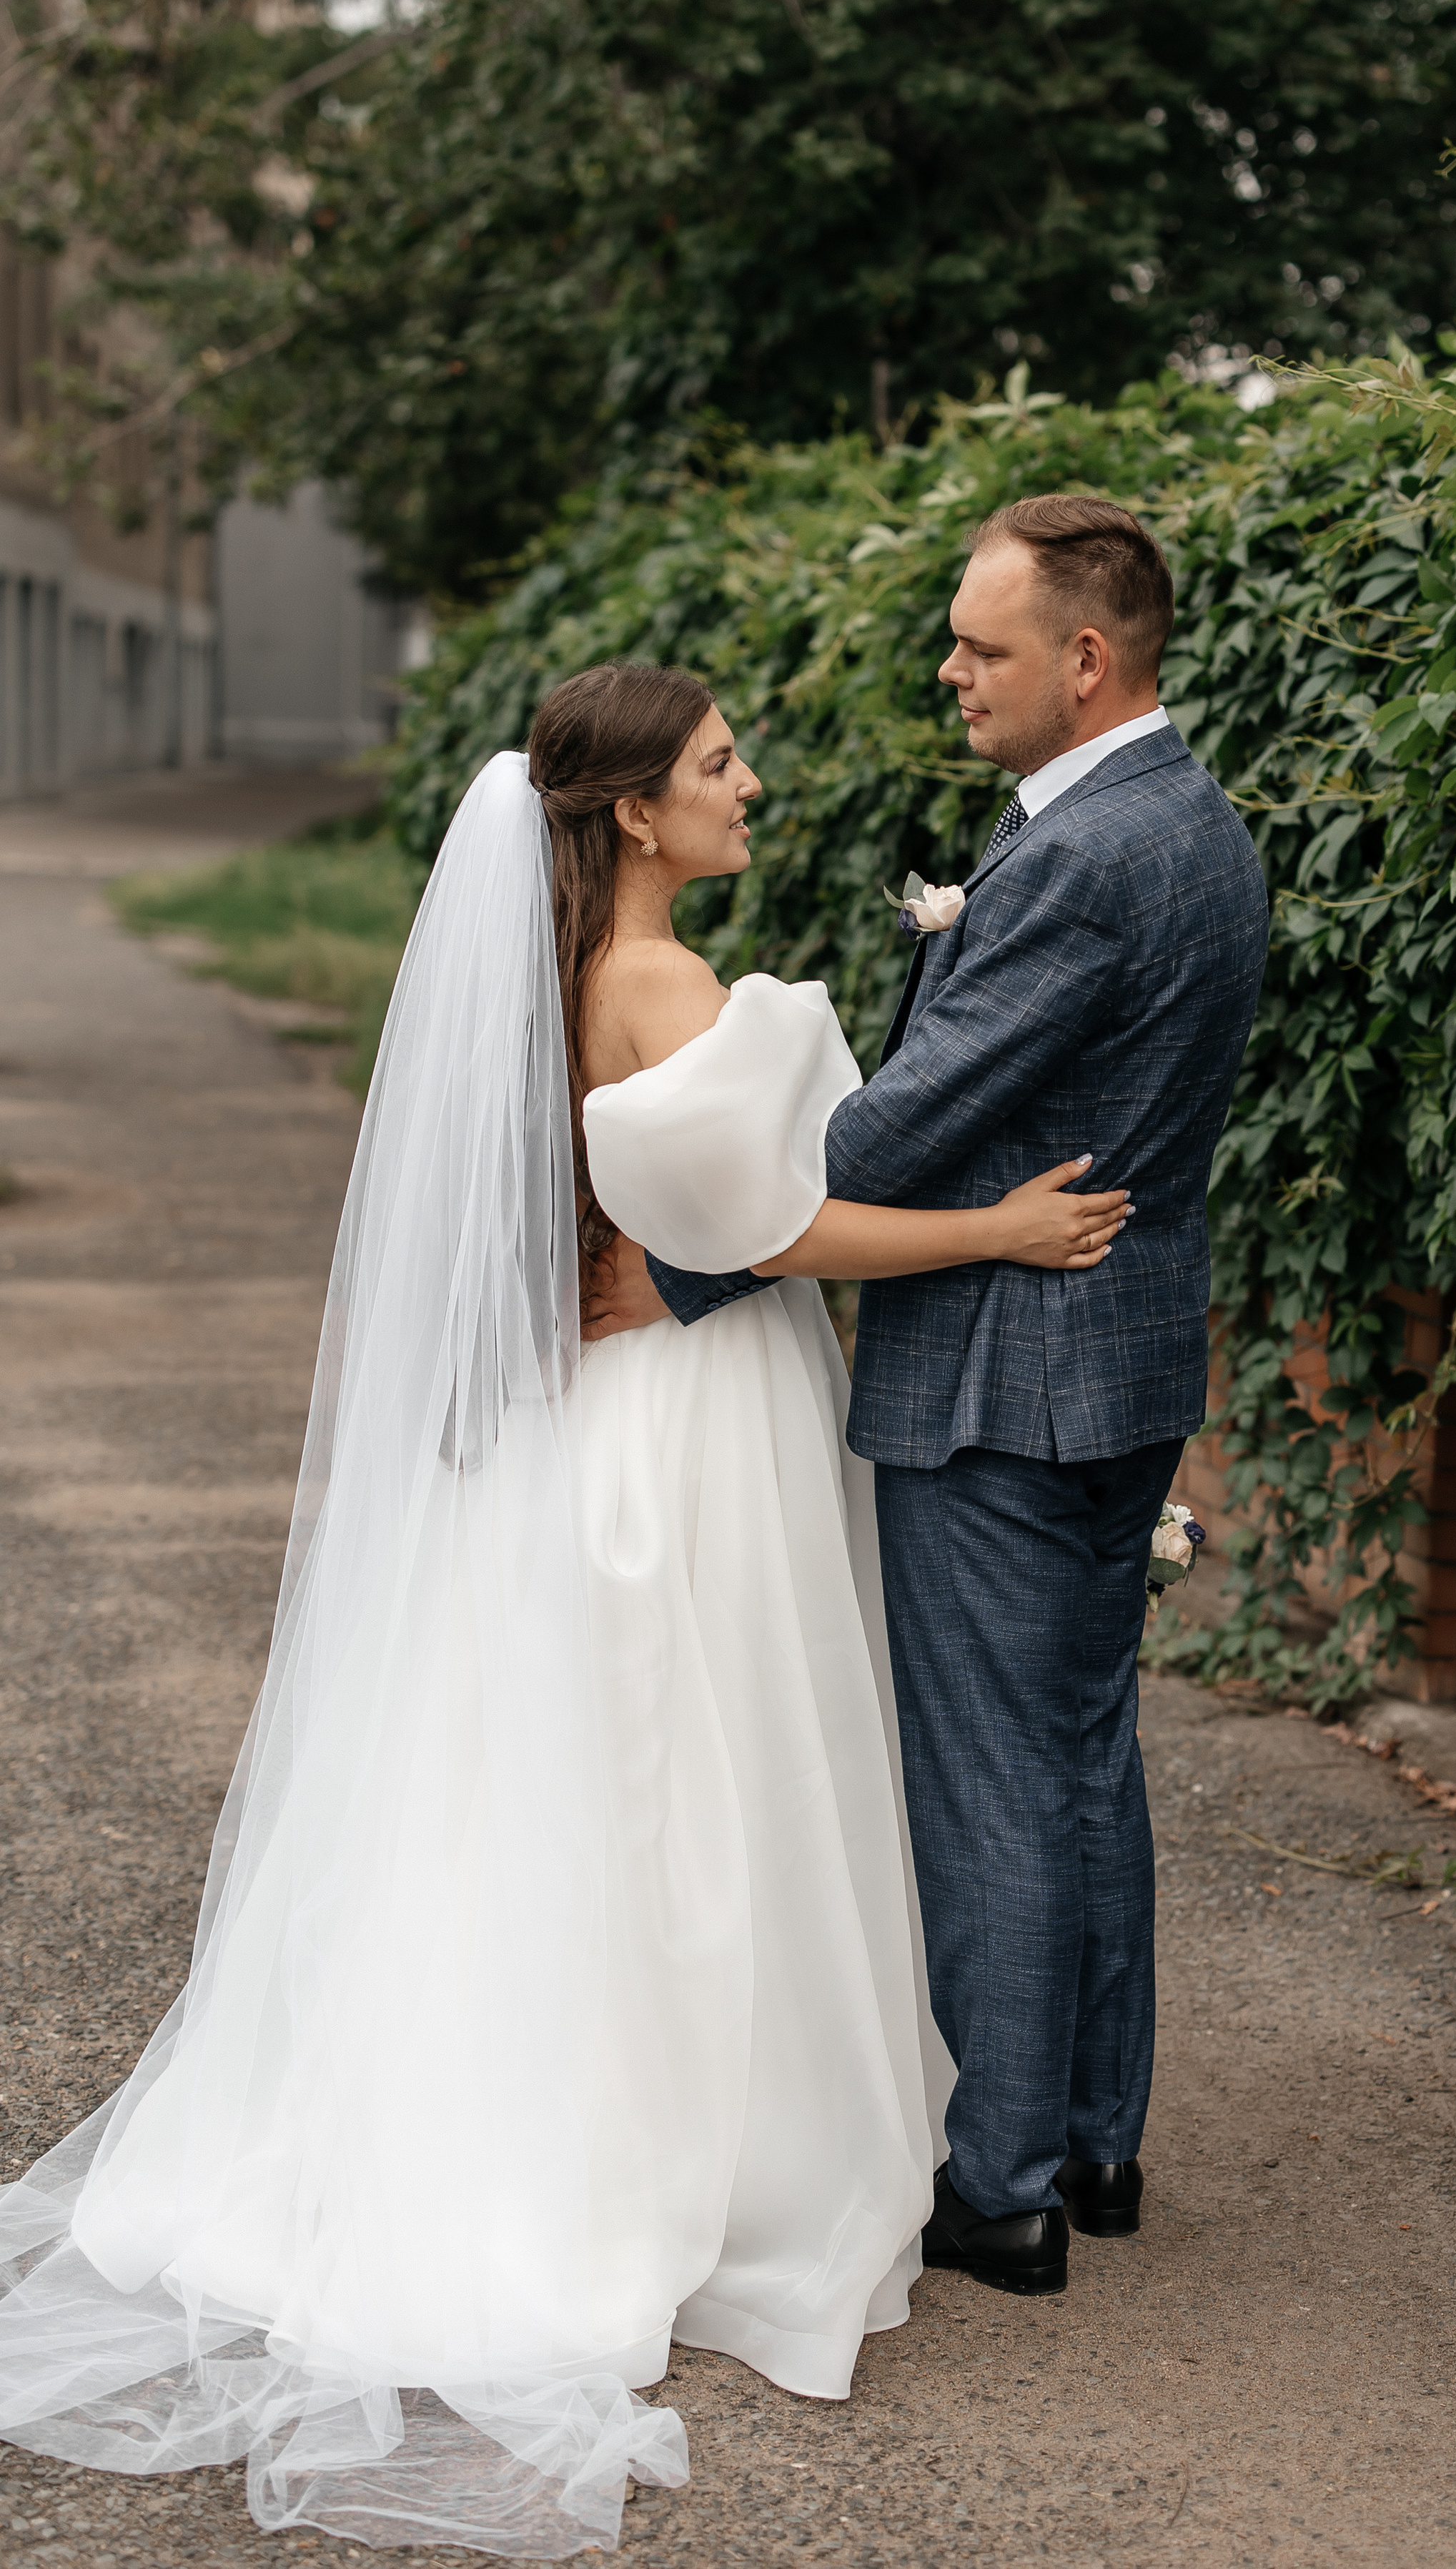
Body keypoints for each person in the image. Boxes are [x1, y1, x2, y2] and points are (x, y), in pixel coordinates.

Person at [0, 666, 1130, 2557]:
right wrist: (998, 1231)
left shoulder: (554, 979)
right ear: (629, 813)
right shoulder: (659, 983)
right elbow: (763, 1236)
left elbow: (646, 1234)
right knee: (697, 1778)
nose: (749, 783)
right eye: (716, 763)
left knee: (595, 1788)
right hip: (688, 1437)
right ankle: (691, 2164)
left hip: (602, 1423)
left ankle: (590, 2115)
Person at [605, 495, 1269, 2297]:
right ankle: (1091, 2141)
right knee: (1073, 1760)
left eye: (980, 647)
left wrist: (696, 1238)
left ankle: (999, 2185)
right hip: (1117, 1355)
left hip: (1002, 1373)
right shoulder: (1188, 822)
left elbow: (906, 1117)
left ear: (1084, 658)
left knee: (992, 1776)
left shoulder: (1077, 856)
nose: (947, 671)